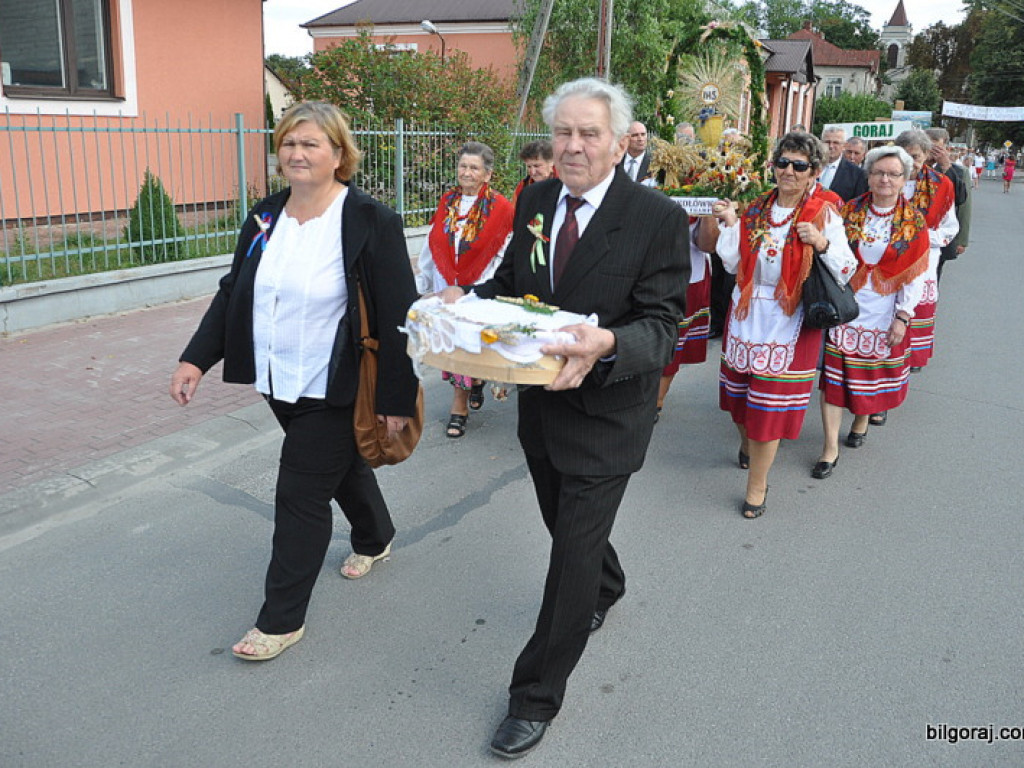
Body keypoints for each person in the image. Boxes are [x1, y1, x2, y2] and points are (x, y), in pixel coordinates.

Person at [441, 77, 688, 758]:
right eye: (564, 133)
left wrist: (609, 342)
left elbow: (664, 327)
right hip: (542, 410)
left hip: (609, 417)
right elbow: (517, 286)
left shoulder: (655, 217)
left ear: (618, 143)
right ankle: (609, 582)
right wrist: (467, 306)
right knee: (565, 527)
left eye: (590, 134)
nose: (574, 146)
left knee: (568, 557)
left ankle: (535, 696)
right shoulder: (537, 198)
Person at [169, 101, 419, 661]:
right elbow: (235, 289)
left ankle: (280, 620)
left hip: (336, 382)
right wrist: (195, 360)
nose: (297, 153)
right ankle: (376, 536)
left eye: (311, 144)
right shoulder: (265, 216)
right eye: (288, 143)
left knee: (300, 493)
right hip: (277, 376)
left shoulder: (369, 220)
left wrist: (395, 397)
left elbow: (400, 310)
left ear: (338, 153)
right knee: (337, 463)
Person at [711, 131, 856, 519]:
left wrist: (822, 244)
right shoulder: (757, 208)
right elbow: (730, 262)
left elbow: (847, 268)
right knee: (739, 403)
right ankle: (747, 446)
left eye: (799, 165)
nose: (789, 171)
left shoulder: (824, 212)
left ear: (815, 172)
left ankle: (757, 485)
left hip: (791, 321)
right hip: (747, 316)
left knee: (767, 411)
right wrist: (729, 223)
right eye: (783, 163)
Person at [812, 146, 930, 477]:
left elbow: (915, 276)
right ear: (869, 175)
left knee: (869, 376)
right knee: (834, 380)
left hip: (885, 310)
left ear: (904, 179)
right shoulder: (848, 211)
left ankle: (862, 420)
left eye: (893, 174)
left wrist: (903, 317)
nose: (885, 180)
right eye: (879, 172)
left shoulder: (913, 222)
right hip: (846, 306)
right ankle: (829, 447)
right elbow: (830, 253)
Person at [417, 141, 514, 438]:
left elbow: (503, 251)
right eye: (463, 166)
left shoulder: (501, 208)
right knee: (453, 345)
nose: (466, 172)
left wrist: (477, 286)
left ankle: (466, 395)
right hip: (447, 286)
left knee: (470, 344)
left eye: (474, 168)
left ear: (487, 174)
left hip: (478, 287)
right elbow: (433, 243)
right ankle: (466, 394)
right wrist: (423, 283)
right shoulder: (448, 201)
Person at [893, 130, 958, 375]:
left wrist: (919, 238)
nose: (911, 162)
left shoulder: (941, 185)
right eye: (905, 156)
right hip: (887, 264)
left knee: (910, 312)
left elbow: (951, 227)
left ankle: (906, 366)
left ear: (925, 156)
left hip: (924, 260)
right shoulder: (886, 179)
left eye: (915, 156)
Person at [657, 216, 719, 419]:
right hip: (641, 271)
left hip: (687, 275)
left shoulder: (700, 192)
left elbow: (708, 245)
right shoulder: (640, 186)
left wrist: (707, 209)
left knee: (674, 340)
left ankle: (656, 401)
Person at [924, 128, 970, 285]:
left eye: (937, 148)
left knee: (931, 281)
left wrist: (962, 239)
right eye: (928, 146)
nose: (932, 152)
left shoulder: (957, 171)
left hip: (938, 237)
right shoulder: (912, 165)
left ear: (945, 149)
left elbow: (963, 203)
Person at [818, 127, 868, 202]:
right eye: (827, 142)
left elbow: (858, 204)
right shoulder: (809, 166)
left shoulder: (857, 174)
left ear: (844, 146)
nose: (831, 146)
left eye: (836, 143)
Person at [512, 140, 556, 206]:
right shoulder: (523, 187)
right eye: (529, 167)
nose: (533, 172)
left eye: (537, 166)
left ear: (552, 162)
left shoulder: (566, 185)